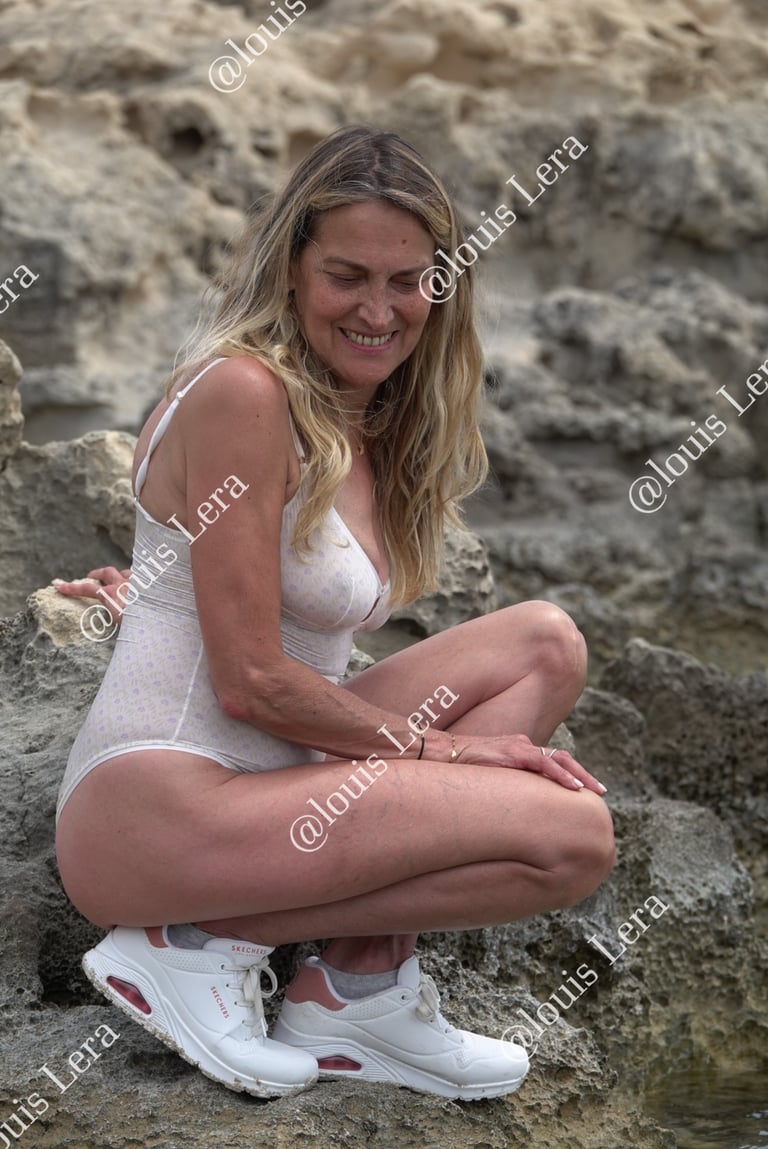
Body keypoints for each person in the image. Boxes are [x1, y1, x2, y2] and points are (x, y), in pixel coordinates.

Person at [54, 125, 615, 1102]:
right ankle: (190, 944)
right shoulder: (243, 390)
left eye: (407, 281)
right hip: (160, 807)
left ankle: (354, 989)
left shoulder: (371, 413)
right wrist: (449, 752)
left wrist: (145, 583)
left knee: (543, 644)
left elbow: (228, 574)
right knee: (573, 838)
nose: (378, 309)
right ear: (292, 267)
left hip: (277, 786)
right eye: (346, 276)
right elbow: (249, 681)